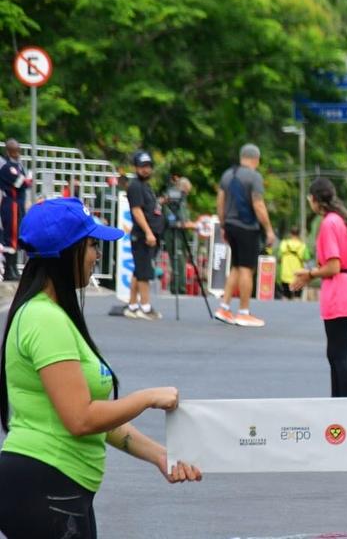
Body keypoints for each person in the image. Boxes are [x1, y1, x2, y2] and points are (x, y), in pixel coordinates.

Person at [0, 198, 201, 538]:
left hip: (61, 486)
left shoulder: (52, 313)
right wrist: (147, 397)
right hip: (45, 484)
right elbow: (81, 419)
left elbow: (99, 421)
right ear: (67, 252)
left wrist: (159, 455)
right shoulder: (44, 318)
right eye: (92, 245)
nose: (96, 255)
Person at [289, 178, 347, 398]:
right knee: (336, 353)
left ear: (314, 200)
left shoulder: (329, 223)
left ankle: (344, 405)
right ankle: (338, 404)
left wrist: (310, 273)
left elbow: (333, 266)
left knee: (339, 354)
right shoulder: (341, 220)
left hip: (340, 294)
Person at [214, 143, 276, 327]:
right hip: (247, 227)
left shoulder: (227, 174)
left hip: (230, 225)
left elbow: (220, 201)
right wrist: (269, 229)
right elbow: (258, 204)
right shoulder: (254, 177)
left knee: (236, 267)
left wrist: (223, 225)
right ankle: (243, 311)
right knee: (247, 269)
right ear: (256, 159)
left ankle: (224, 307)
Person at [125, 151, 166, 320]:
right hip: (143, 236)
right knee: (144, 272)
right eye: (142, 166)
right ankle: (145, 307)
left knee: (139, 270)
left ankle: (133, 305)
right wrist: (148, 232)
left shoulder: (145, 186)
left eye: (148, 166)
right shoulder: (135, 186)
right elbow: (136, 211)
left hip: (149, 234)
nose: (146, 170)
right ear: (136, 168)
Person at [0, 139, 31, 280]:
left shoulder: (18, 166)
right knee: (10, 236)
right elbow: (20, 183)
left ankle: (13, 268)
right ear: (8, 151)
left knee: (16, 236)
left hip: (18, 204)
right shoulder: (7, 167)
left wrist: (26, 180)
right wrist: (26, 180)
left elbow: (25, 182)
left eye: (18, 150)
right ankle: (8, 270)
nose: (17, 153)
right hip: (11, 204)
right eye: (14, 150)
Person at [277, 227, 308, 300]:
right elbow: (306, 259)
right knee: (297, 298)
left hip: (285, 275)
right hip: (298, 276)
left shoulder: (284, 244)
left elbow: (279, 258)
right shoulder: (303, 246)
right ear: (299, 234)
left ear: (290, 234)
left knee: (285, 297)